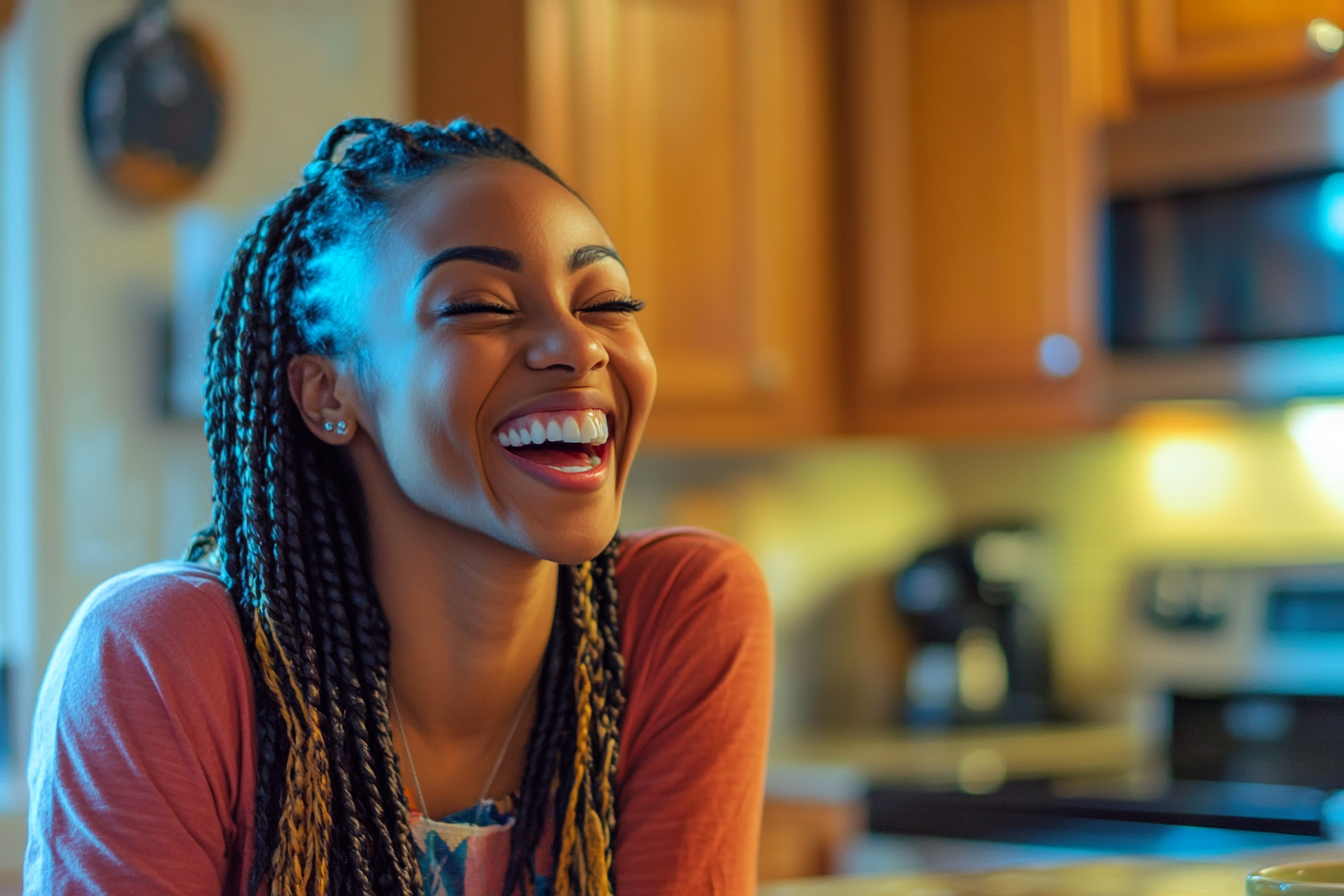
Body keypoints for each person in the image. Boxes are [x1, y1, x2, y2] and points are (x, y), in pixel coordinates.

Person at [24, 118, 773, 896]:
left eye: (607, 302)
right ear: (328, 394)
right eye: (480, 306)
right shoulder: (158, 661)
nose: (578, 346)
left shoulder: (678, 617)